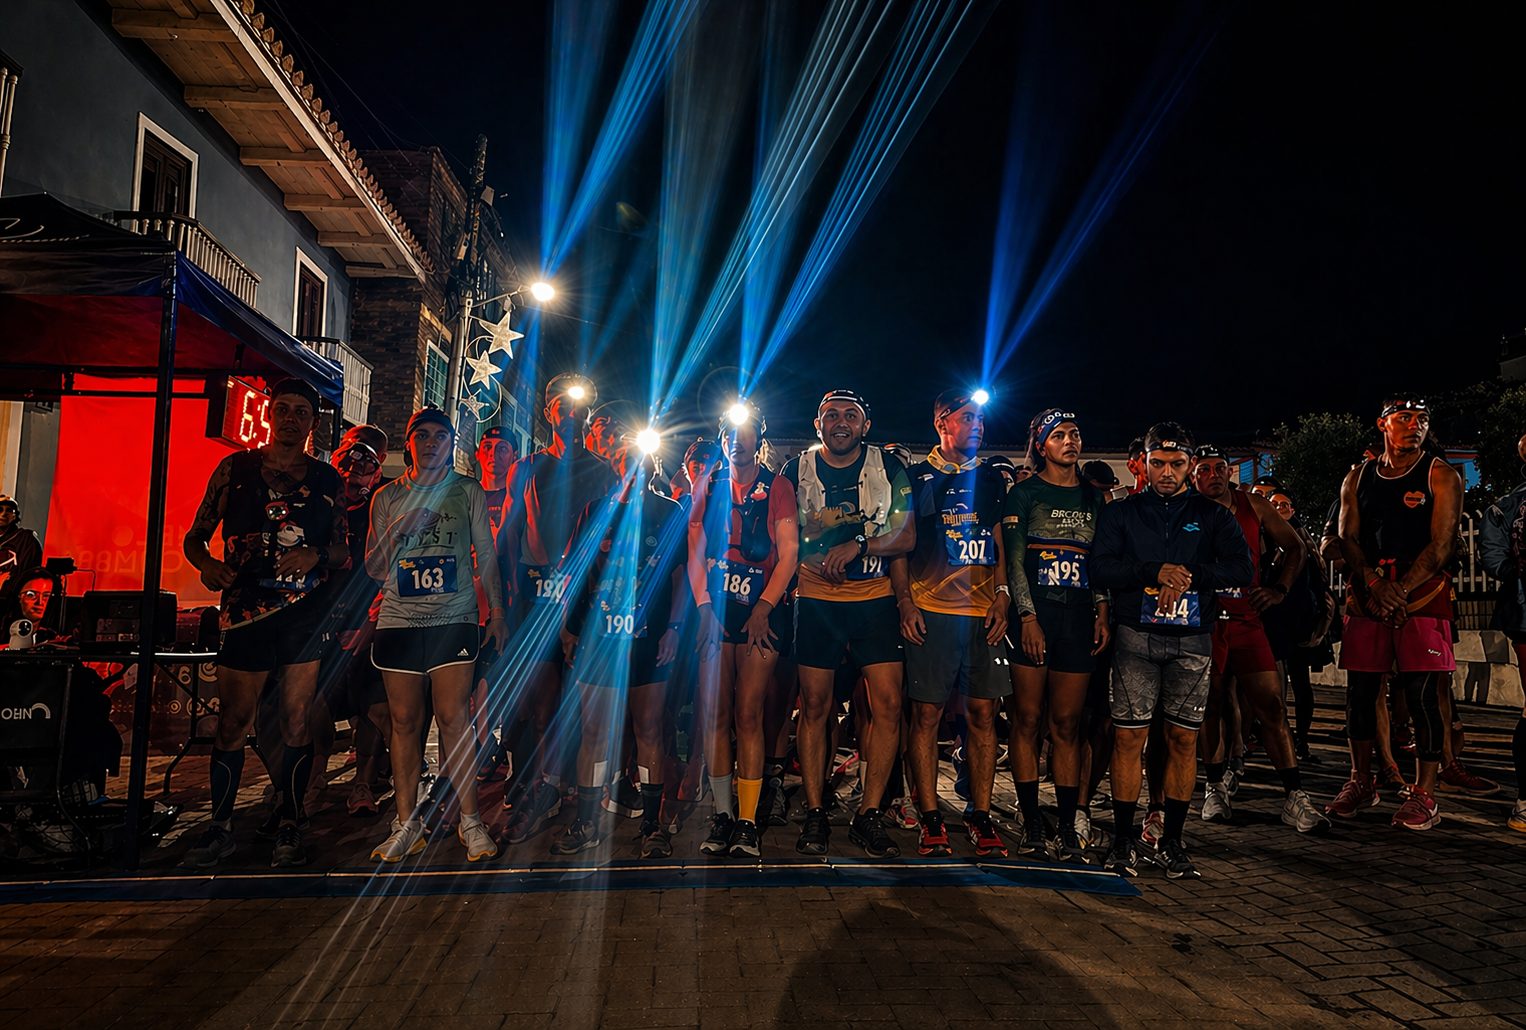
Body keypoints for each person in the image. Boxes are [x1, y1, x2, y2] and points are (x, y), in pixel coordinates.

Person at [181, 378, 349, 869]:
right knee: (234, 719)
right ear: (270, 413)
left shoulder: (325, 480)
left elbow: (343, 550)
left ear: (313, 423)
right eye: (284, 409)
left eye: (302, 412)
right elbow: (197, 535)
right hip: (244, 609)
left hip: (303, 614)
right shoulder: (235, 469)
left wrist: (316, 552)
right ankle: (219, 825)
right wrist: (206, 565)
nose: (291, 418)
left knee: (297, 720)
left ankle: (291, 823)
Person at [1091, 423, 1253, 878]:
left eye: (1177, 464)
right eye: (1158, 463)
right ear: (1142, 462)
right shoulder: (1121, 513)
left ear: (1189, 466)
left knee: (1183, 739)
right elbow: (1099, 567)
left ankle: (1173, 841)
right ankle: (1123, 841)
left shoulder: (1213, 514)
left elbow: (1243, 567)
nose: (1166, 472)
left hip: (1192, 640)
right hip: (1134, 639)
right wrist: (1152, 571)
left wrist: (1187, 574)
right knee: (1129, 739)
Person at [365, 407, 506, 863]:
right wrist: (396, 531)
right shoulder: (387, 497)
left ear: (451, 444)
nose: (430, 443)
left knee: (453, 717)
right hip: (400, 620)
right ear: (409, 443)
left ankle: (470, 821)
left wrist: (498, 611)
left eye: (440, 436)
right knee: (404, 722)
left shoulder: (467, 491)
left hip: (454, 616)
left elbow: (486, 554)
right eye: (421, 435)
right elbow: (373, 568)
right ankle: (407, 823)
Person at [780, 389, 914, 857]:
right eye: (831, 415)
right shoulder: (795, 469)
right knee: (815, 707)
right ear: (818, 424)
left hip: (873, 599)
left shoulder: (889, 467)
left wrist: (860, 545)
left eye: (851, 415)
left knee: (888, 707)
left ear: (865, 425)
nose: (841, 422)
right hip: (816, 599)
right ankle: (816, 812)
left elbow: (906, 534)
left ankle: (870, 813)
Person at [1329, 395, 1462, 831]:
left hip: (1420, 597)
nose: (1415, 425)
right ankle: (1360, 780)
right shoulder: (1357, 476)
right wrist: (1372, 581)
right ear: (1382, 423)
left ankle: (1425, 794)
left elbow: (1441, 545)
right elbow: (1347, 536)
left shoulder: (1440, 474)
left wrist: (1399, 589)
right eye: (1404, 417)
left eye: (1422, 418)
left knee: (1423, 696)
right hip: (1369, 595)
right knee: (1360, 695)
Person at [555, 430, 689, 857]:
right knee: (594, 732)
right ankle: (586, 824)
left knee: (648, 728)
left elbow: (681, 577)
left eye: (642, 458)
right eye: (625, 458)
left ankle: (652, 827)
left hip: (649, 639)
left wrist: (674, 628)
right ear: (616, 465)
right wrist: (568, 629)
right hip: (599, 639)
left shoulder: (669, 511)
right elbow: (575, 575)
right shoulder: (596, 511)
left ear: (653, 465)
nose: (634, 465)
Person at [497, 374, 617, 842]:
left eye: (579, 408)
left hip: (586, 597)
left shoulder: (603, 470)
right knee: (540, 700)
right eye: (562, 406)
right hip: (537, 592)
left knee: (586, 703)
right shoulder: (525, 467)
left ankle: (580, 791)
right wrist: (504, 607)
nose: (571, 414)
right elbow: (507, 537)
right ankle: (541, 785)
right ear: (548, 411)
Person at [895, 390, 1011, 858]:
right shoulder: (915, 476)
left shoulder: (990, 478)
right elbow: (901, 546)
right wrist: (905, 602)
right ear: (943, 423)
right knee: (925, 715)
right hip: (933, 611)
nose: (978, 425)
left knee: (984, 716)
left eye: (981, 418)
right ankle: (928, 816)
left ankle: (979, 815)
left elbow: (999, 540)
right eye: (968, 418)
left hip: (983, 617)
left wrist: (1003, 595)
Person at [1189, 447, 1328, 833]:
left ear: (1230, 471)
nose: (1213, 475)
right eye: (1204, 469)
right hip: (1205, 621)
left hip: (1247, 617)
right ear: (1193, 474)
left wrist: (1279, 588)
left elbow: (1296, 545)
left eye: (1220, 468)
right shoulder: (1185, 510)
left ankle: (1294, 796)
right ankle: (1215, 787)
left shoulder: (1253, 505)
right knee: (1211, 705)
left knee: (1271, 705)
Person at [689, 403, 799, 858]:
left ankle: (748, 821)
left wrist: (764, 608)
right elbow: (694, 544)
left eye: (747, 433)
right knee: (714, 716)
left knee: (748, 715)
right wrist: (703, 608)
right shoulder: (708, 484)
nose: (739, 440)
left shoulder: (778, 486)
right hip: (716, 612)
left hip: (759, 614)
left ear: (760, 437)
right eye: (732, 433)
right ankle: (721, 814)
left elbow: (788, 553)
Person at [1002, 408, 1109, 860]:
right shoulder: (1023, 494)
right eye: (1059, 435)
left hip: (1079, 616)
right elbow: (1015, 561)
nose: (1070, 441)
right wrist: (1027, 618)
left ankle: (1066, 825)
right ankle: (1030, 822)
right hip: (1037, 614)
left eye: (1075, 433)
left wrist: (1102, 610)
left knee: (1068, 724)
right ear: (1041, 444)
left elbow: (1099, 560)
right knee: (1027, 719)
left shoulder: (1093, 498)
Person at [306, 431, 392, 818]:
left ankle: (362, 783)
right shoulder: (317, 506)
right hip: (320, 622)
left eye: (364, 471)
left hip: (368, 619)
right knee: (312, 703)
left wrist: (372, 622)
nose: (354, 477)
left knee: (375, 707)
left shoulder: (382, 506)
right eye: (348, 467)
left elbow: (391, 570)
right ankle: (315, 771)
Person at [1472, 435, 1526, 831]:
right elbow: (1492, 555)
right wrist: (1514, 576)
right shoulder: (1508, 505)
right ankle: (1524, 799)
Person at [473, 427, 518, 781]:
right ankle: (483, 744)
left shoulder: (518, 496)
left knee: (499, 677)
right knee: (476, 680)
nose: (494, 454)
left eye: (503, 448)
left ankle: (502, 744)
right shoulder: (465, 495)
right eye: (487, 447)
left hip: (509, 598)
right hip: (469, 600)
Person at [0, 495, 42, 599]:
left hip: (9, 601)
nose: (3, 514)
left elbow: (27, 573)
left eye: (9, 510)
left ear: (14, 516)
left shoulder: (26, 539)